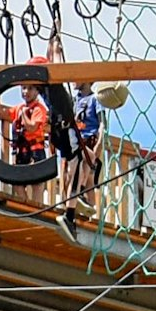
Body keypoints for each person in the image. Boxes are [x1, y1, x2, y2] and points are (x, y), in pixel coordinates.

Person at [0, 65, 52, 206]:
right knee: (17, 182)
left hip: (35, 151)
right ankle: (26, 204)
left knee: (37, 183)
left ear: (37, 91)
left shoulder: (39, 109)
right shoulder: (19, 108)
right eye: (24, 88)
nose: (26, 92)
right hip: (21, 151)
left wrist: (24, 115)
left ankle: (36, 206)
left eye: (30, 88)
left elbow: (32, 127)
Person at [62, 78, 101, 240]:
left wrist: (98, 145)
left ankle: (83, 201)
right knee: (71, 174)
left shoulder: (94, 100)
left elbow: (101, 125)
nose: (73, 81)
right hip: (76, 140)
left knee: (85, 172)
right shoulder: (75, 99)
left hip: (88, 140)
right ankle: (77, 200)